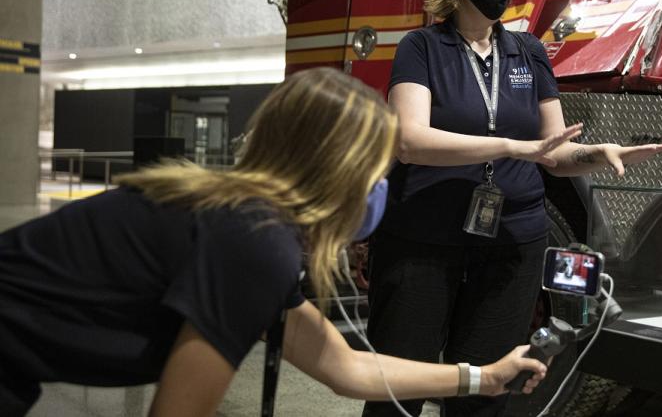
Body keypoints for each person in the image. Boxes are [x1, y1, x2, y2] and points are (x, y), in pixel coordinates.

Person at [0, 68, 548, 417]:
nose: (379, 188)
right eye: (376, 169)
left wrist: (482, 378)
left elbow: (344, 367)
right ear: (338, 170)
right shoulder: (253, 241)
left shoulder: (248, 223)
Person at [363, 0, 662, 417]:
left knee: (486, 391)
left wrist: (598, 152)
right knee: (398, 392)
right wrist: (509, 146)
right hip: (423, 241)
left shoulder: (528, 52)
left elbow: (551, 151)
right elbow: (410, 141)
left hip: (510, 246)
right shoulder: (421, 48)